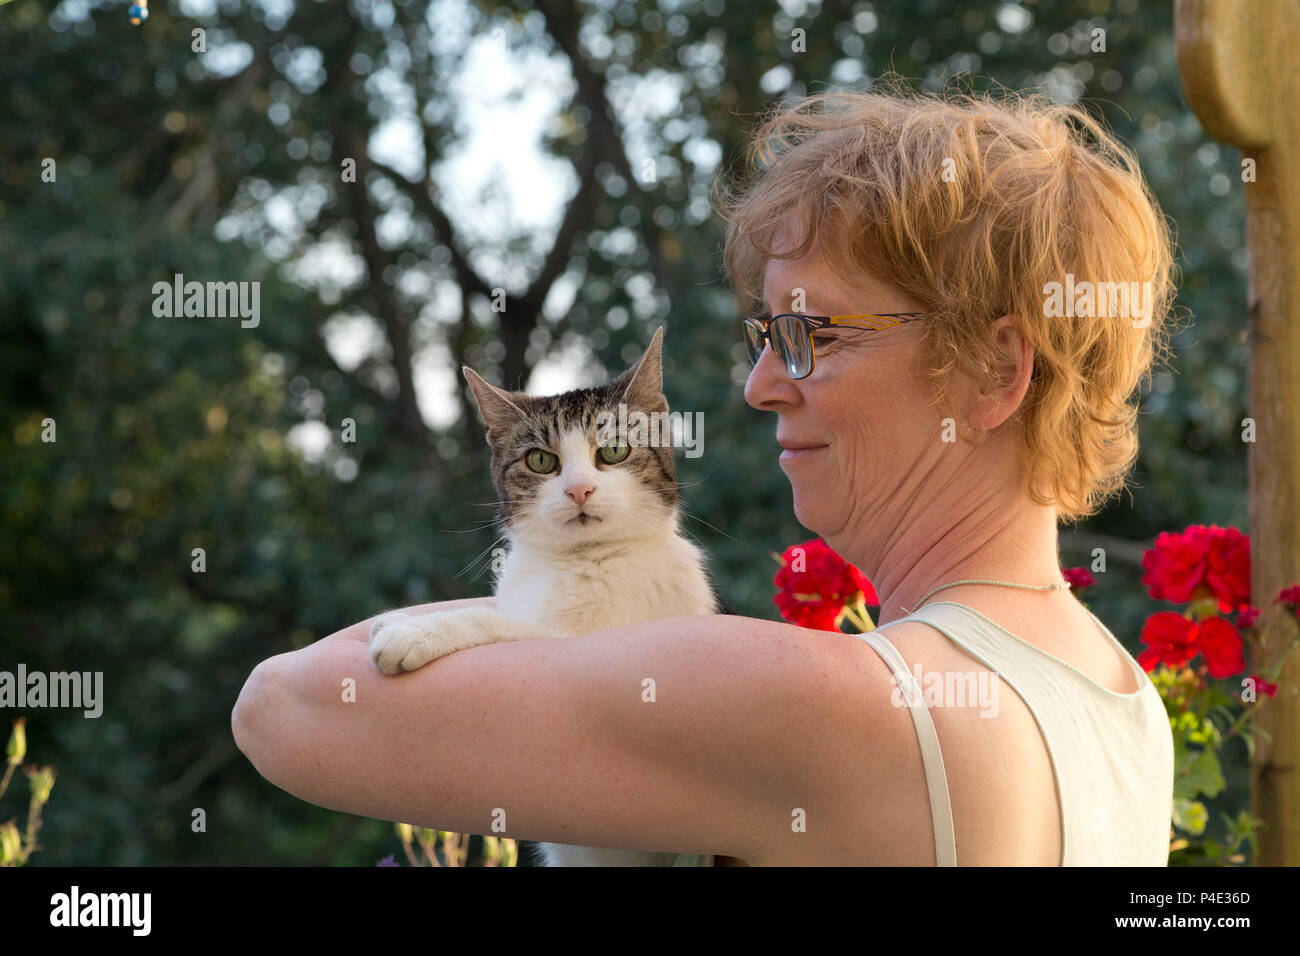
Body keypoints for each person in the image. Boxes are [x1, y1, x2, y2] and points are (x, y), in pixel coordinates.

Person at [233, 83, 1176, 866]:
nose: (762, 385)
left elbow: (286, 705)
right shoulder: (1124, 704)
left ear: (995, 371)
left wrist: (532, 594)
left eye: (813, 334)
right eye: (765, 336)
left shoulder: (832, 705)